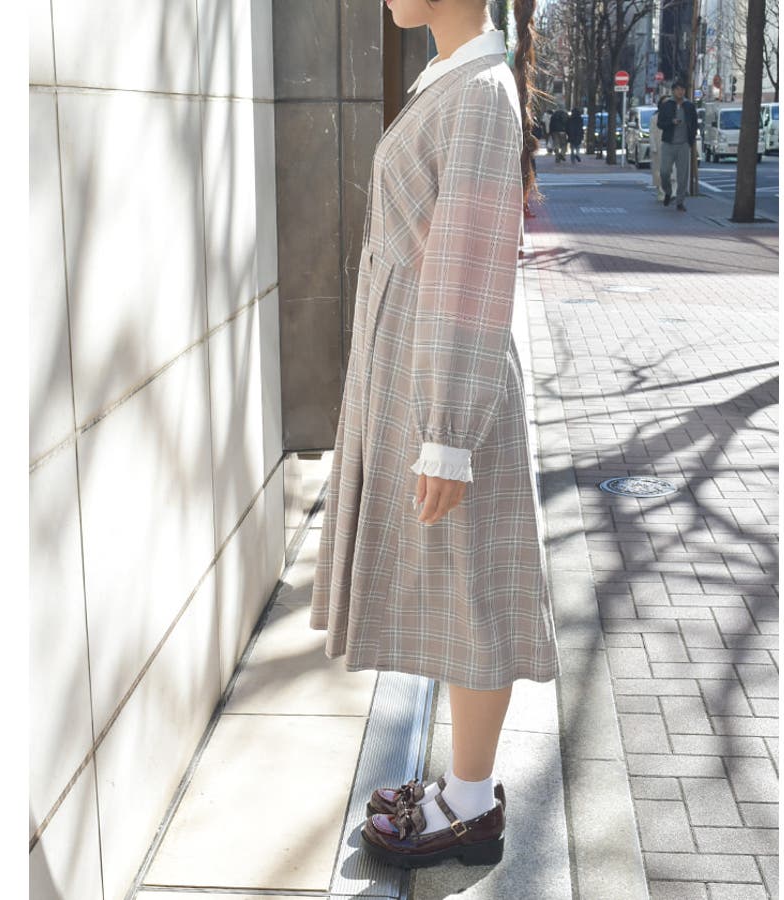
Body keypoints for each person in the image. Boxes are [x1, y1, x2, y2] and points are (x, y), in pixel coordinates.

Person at [309, 0, 561, 871]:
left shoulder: (479, 93)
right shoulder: (458, 80)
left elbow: (467, 270)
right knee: (461, 593)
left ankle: (471, 806)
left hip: (449, 391)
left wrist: (446, 435)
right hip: (427, 380)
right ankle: (465, 789)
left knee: (475, 596)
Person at [656, 77, 698, 211]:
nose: (681, 92)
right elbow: (660, 124)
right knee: (664, 172)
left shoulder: (689, 106)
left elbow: (694, 124)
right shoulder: (666, 105)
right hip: (668, 143)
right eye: (678, 89)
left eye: (683, 90)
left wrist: (691, 140)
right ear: (673, 91)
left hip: (684, 144)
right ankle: (668, 191)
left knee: (682, 175)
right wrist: (671, 122)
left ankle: (680, 201)